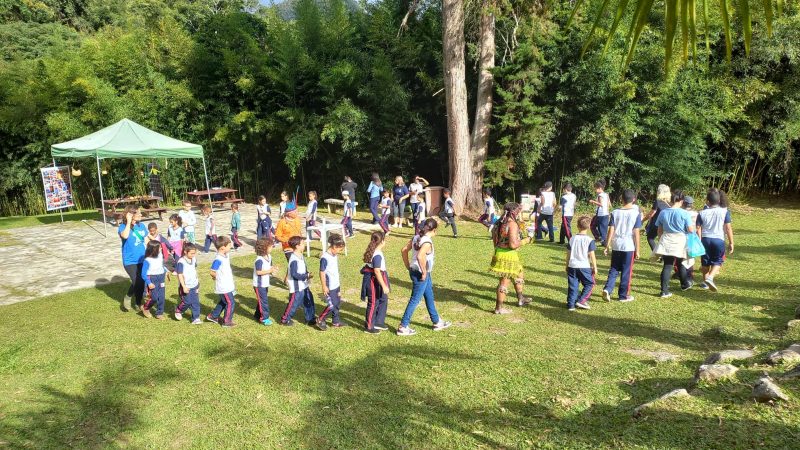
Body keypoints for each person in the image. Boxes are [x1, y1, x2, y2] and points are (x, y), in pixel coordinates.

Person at [397, 219, 452, 336]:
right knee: (415, 300)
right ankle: (403, 326)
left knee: (429, 296)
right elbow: (420, 256)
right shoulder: (427, 242)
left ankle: (437, 321)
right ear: (434, 230)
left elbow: (404, 250)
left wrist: (408, 265)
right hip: (421, 274)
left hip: (416, 271)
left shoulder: (416, 237)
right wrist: (424, 272)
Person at [489, 202, 533, 314]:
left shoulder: (499, 222)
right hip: (508, 255)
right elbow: (513, 244)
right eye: (518, 212)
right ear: (514, 212)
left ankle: (521, 298)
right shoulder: (512, 224)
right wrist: (526, 240)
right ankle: (498, 308)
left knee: (519, 274)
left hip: (500, 252)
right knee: (504, 281)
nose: (519, 214)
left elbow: (495, 241)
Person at [601, 189, 642, 303]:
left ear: (621, 199)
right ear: (634, 199)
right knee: (626, 271)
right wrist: (638, 249)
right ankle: (623, 295)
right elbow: (636, 232)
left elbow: (611, 229)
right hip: (628, 245)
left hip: (616, 244)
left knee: (614, 268)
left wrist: (607, 245)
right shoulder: (636, 213)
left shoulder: (615, 212)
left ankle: (607, 289)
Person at [653, 191, 695, 298]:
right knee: (681, 263)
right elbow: (690, 229)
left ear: (671, 200)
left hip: (667, 239)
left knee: (668, 265)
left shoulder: (663, 212)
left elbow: (659, 230)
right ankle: (684, 284)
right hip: (680, 240)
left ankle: (664, 290)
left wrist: (661, 239)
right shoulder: (684, 213)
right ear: (682, 201)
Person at [696, 188, 735, 292]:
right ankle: (710, 278)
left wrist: (699, 239)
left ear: (707, 201)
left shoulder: (702, 213)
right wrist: (731, 242)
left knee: (705, 262)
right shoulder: (724, 211)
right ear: (719, 200)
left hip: (705, 239)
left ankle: (705, 283)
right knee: (718, 260)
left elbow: (698, 228)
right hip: (718, 239)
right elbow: (728, 228)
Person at [280, 236, 317, 326]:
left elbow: (304, 268)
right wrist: (306, 276)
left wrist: (307, 275)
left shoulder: (300, 255)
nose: (304, 245)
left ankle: (310, 318)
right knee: (294, 303)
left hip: (304, 284)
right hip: (296, 286)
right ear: (297, 246)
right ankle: (285, 319)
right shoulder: (294, 259)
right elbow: (294, 274)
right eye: (302, 244)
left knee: (309, 299)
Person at [119, 206, 148, 311]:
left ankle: (138, 302)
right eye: (138, 213)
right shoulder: (123, 226)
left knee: (142, 280)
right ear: (131, 215)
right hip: (130, 260)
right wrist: (128, 222)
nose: (141, 215)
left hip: (142, 258)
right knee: (137, 281)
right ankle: (130, 298)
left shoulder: (142, 226)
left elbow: (146, 240)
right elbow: (125, 236)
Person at [566, 216, 598, 311]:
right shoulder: (589, 240)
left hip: (572, 265)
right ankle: (581, 300)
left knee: (573, 286)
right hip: (584, 266)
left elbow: (568, 253)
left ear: (577, 226)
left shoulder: (572, 239)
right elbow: (592, 255)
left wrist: (567, 265)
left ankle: (571, 305)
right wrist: (595, 266)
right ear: (589, 227)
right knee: (590, 284)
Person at [361, 231, 390, 334]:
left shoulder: (375, 251)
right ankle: (369, 327)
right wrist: (384, 286)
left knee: (381, 299)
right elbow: (377, 271)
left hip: (375, 279)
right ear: (382, 241)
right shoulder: (377, 255)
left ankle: (378, 322)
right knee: (373, 303)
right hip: (372, 281)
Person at [316, 235, 347, 330]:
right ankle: (320, 319)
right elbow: (322, 272)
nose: (340, 251)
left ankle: (335, 322)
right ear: (334, 247)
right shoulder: (325, 258)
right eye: (339, 249)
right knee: (332, 305)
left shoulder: (334, 255)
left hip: (336, 284)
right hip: (330, 286)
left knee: (337, 303)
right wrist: (324, 286)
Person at [206, 236, 236, 327]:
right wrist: (217, 277)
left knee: (224, 302)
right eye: (229, 245)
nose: (231, 246)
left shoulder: (225, 255)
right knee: (230, 302)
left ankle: (213, 316)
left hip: (228, 285)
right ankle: (227, 321)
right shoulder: (218, 259)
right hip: (223, 286)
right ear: (223, 248)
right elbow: (212, 272)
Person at [253, 237, 279, 325]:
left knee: (261, 300)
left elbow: (269, 267)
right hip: (259, 285)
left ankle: (257, 315)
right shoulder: (259, 260)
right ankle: (264, 318)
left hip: (265, 283)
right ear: (264, 248)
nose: (272, 248)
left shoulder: (269, 256)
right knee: (264, 302)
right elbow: (258, 272)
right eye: (270, 246)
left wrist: (273, 269)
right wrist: (270, 271)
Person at [174, 243, 202, 324]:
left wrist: (197, 283)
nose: (193, 255)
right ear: (185, 252)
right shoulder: (181, 262)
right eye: (191, 253)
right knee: (187, 302)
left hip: (194, 285)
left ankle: (196, 318)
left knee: (196, 302)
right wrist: (184, 286)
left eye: (194, 253)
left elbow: (194, 270)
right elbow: (180, 274)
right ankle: (179, 310)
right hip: (186, 286)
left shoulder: (194, 259)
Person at [141, 240, 168, 319]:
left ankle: (159, 313)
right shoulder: (147, 260)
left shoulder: (160, 255)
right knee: (154, 297)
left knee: (161, 297)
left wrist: (165, 271)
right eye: (159, 248)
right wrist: (149, 283)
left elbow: (161, 265)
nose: (161, 249)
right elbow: (143, 274)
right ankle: (146, 308)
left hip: (161, 277)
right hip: (152, 278)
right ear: (154, 249)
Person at [642, 184, 671, 252]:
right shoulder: (670, 202)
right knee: (663, 240)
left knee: (650, 238)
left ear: (659, 192)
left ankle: (656, 253)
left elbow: (651, 213)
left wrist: (643, 220)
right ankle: (664, 254)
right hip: (667, 224)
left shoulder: (658, 201)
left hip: (657, 224)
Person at [589, 179, 610, 246]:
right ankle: (600, 239)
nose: (595, 190)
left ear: (600, 188)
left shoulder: (600, 195)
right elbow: (609, 204)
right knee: (600, 228)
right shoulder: (606, 194)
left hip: (601, 214)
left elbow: (601, 204)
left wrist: (593, 201)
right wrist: (607, 211)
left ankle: (603, 242)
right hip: (604, 213)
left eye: (595, 189)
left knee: (601, 228)